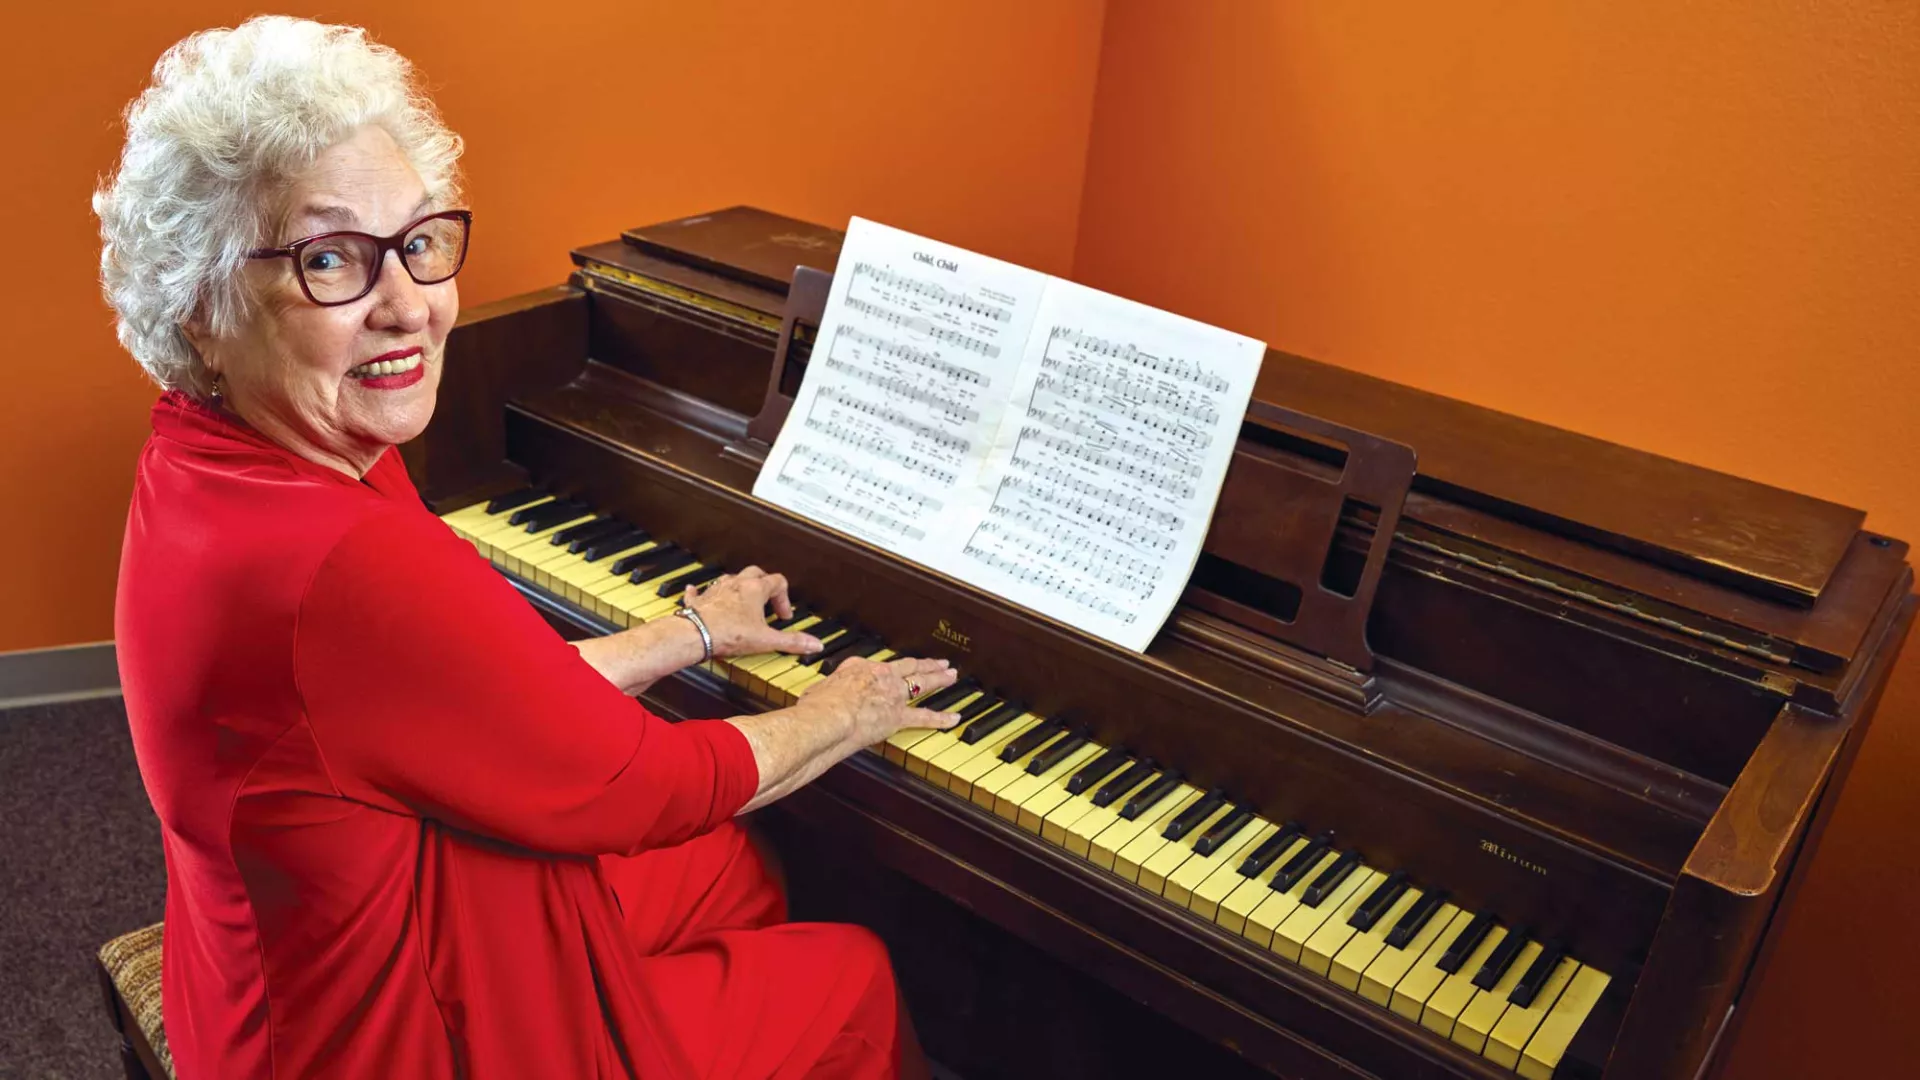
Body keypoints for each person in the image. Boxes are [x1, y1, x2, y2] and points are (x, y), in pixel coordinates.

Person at [95, 16, 958, 1079]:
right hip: (367, 1036)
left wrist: (686, 633)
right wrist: (848, 708)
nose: (408, 307)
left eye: (418, 241)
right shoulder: (334, 559)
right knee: (852, 975)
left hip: (280, 947)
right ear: (200, 312)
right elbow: (639, 785)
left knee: (731, 869)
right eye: (330, 260)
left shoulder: (210, 458)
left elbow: (452, 699)